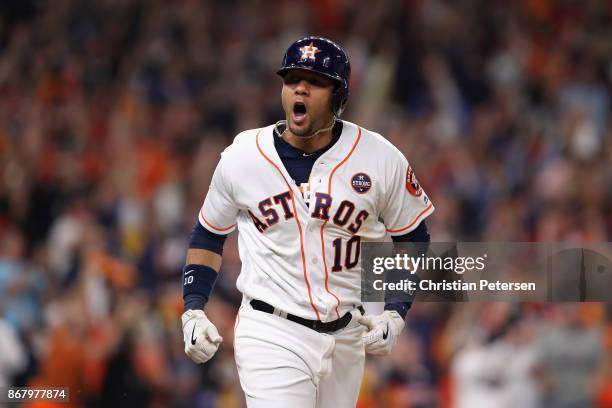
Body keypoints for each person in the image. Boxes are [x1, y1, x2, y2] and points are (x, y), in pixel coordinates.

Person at [180, 36, 434, 407]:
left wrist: (395, 312)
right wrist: (193, 306)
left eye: (316, 81)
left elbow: (414, 237)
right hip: (271, 329)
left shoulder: (380, 158)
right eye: (292, 78)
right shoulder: (243, 156)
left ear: (339, 97)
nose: (300, 87)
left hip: (347, 336)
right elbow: (208, 233)